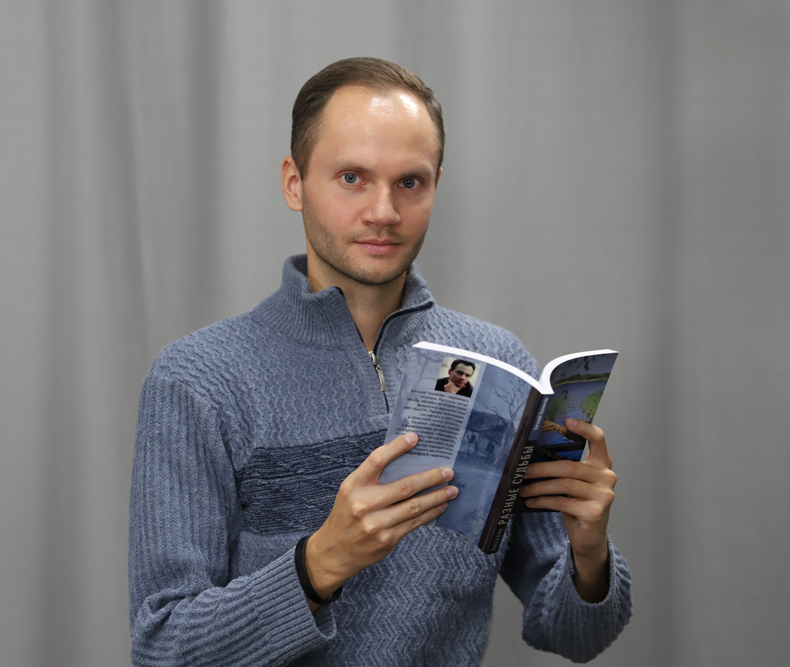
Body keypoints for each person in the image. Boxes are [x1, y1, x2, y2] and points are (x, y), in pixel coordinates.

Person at [129, 57, 631, 667]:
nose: (384, 212)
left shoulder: (499, 367)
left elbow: (575, 637)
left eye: (409, 183)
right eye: (352, 177)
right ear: (294, 183)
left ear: (436, 185)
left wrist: (590, 553)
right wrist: (319, 565)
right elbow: (162, 647)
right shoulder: (198, 381)